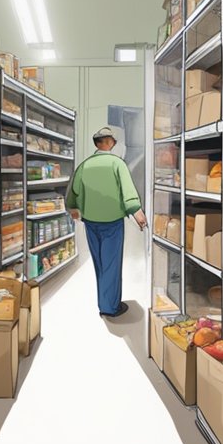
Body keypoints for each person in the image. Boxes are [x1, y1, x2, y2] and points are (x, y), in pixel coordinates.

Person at [65, 127, 147, 318]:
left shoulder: (84, 166)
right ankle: (110, 307)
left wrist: (73, 209)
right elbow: (128, 192)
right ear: (110, 143)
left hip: (91, 222)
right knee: (112, 263)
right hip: (112, 222)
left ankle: (105, 302)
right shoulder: (117, 164)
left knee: (100, 264)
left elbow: (73, 193)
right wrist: (137, 212)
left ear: (96, 144)